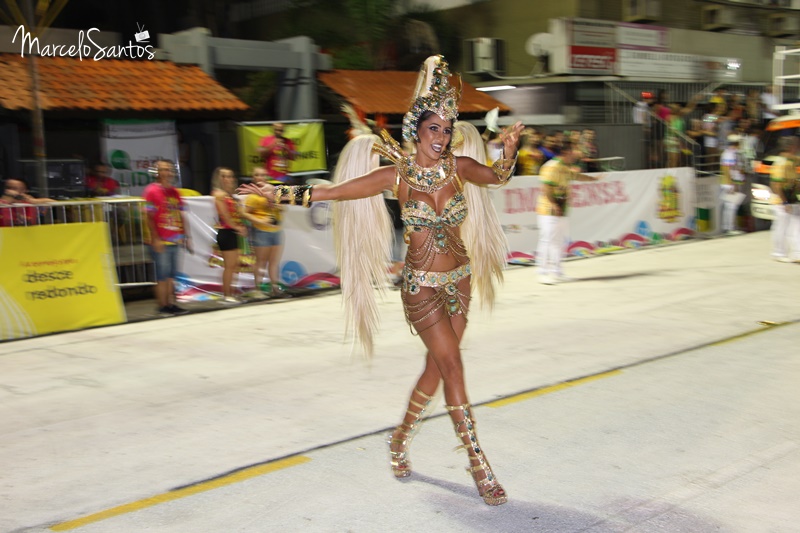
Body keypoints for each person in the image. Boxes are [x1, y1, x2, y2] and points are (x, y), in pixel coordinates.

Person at [239, 55, 522, 506]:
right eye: (434, 128)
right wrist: (277, 193)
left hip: (460, 282)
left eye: (447, 129)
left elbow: (499, 177)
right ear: (416, 130)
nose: (441, 137)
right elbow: (330, 192)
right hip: (421, 287)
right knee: (452, 365)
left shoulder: (462, 168)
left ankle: (399, 438)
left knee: (437, 368)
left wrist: (508, 150)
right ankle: (478, 462)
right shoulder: (396, 175)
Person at [536, 140, 603, 285]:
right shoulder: (551, 167)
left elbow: (577, 176)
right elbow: (546, 188)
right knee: (547, 241)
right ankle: (542, 273)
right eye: (575, 150)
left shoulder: (564, 167)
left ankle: (557, 271)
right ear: (567, 152)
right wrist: (554, 204)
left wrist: (593, 179)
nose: (577, 153)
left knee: (559, 242)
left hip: (562, 210)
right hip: (548, 211)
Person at [143, 160, 192, 316]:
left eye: (169, 170)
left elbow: (181, 214)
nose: (167, 173)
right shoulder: (151, 191)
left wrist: (186, 235)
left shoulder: (175, 192)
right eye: (164, 170)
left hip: (174, 239)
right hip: (161, 240)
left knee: (171, 275)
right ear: (157, 172)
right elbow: (149, 216)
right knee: (162, 275)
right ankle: (162, 305)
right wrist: (155, 239)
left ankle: (171, 304)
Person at [243, 167, 285, 299]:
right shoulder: (252, 196)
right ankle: (258, 289)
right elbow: (245, 213)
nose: (260, 177)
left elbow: (283, 208)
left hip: (276, 230)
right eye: (257, 175)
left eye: (263, 175)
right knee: (261, 262)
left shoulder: (273, 191)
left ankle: (275, 288)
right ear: (253, 177)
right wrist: (260, 221)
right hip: (261, 231)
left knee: (274, 262)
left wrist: (277, 205)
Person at [212, 167, 247, 303]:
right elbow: (224, 216)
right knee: (230, 266)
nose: (229, 179)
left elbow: (236, 213)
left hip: (233, 231)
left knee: (235, 266)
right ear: (219, 179)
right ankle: (227, 295)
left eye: (230, 176)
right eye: (225, 176)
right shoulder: (219, 194)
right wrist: (237, 227)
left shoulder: (230, 195)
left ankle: (231, 293)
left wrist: (240, 226)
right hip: (226, 232)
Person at [769, 136, 800, 262]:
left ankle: (797, 253)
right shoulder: (781, 164)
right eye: (796, 145)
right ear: (791, 147)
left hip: (792, 200)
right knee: (782, 227)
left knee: (796, 226)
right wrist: (785, 202)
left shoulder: (791, 161)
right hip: (782, 202)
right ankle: (778, 253)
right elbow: (776, 185)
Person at [719, 135, 747, 235]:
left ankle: (728, 227)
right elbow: (727, 170)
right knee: (731, 206)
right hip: (730, 183)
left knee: (729, 206)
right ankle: (730, 228)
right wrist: (732, 184)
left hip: (731, 182)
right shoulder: (728, 154)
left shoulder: (732, 154)